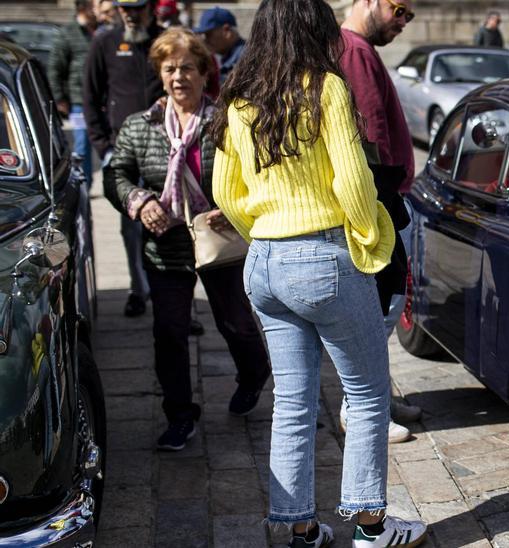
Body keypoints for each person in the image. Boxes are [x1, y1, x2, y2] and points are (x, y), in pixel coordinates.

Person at [210, 0, 429, 545]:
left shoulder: (239, 98)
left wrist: (261, 228)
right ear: (313, 29)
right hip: (324, 256)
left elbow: (224, 192)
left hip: (264, 262)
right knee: (367, 393)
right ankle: (370, 525)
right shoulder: (325, 88)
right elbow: (355, 184)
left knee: (293, 402)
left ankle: (301, 529)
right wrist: (371, 239)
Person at [102, 27, 270, 451]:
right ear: (160, 74)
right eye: (170, 68)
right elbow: (115, 174)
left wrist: (232, 208)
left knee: (236, 324)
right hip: (166, 246)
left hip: (221, 240)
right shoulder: (139, 127)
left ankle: (253, 375)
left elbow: (257, 174)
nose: (180, 77)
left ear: (204, 73)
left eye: (188, 68)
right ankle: (179, 416)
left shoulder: (226, 123)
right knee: (169, 331)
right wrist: (139, 201)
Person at [340, 0, 421, 444]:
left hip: (381, 195)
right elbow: (371, 133)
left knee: (383, 305)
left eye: (409, 16)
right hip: (379, 199)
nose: (403, 22)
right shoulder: (354, 51)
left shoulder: (358, 49)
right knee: (382, 308)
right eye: (399, 9)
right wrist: (386, 194)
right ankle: (359, 407)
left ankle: (377, 398)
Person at [84, 0, 165, 317]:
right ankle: (138, 288)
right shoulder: (105, 41)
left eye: (137, 7)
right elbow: (91, 97)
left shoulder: (165, 39)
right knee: (131, 225)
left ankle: (175, 301)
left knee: (169, 224)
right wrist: (103, 146)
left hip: (164, 148)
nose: (131, 13)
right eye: (125, 8)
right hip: (123, 151)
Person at [49, 0, 99, 180]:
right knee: (82, 145)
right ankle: (82, 184)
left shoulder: (101, 31)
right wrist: (60, 98)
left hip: (103, 100)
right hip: (79, 101)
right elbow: (55, 68)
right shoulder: (68, 34)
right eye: (93, 7)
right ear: (83, 9)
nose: (97, 10)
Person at [193, 7, 244, 84]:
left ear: (226, 31)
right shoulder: (232, 57)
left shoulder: (245, 58)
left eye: (208, 34)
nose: (204, 40)